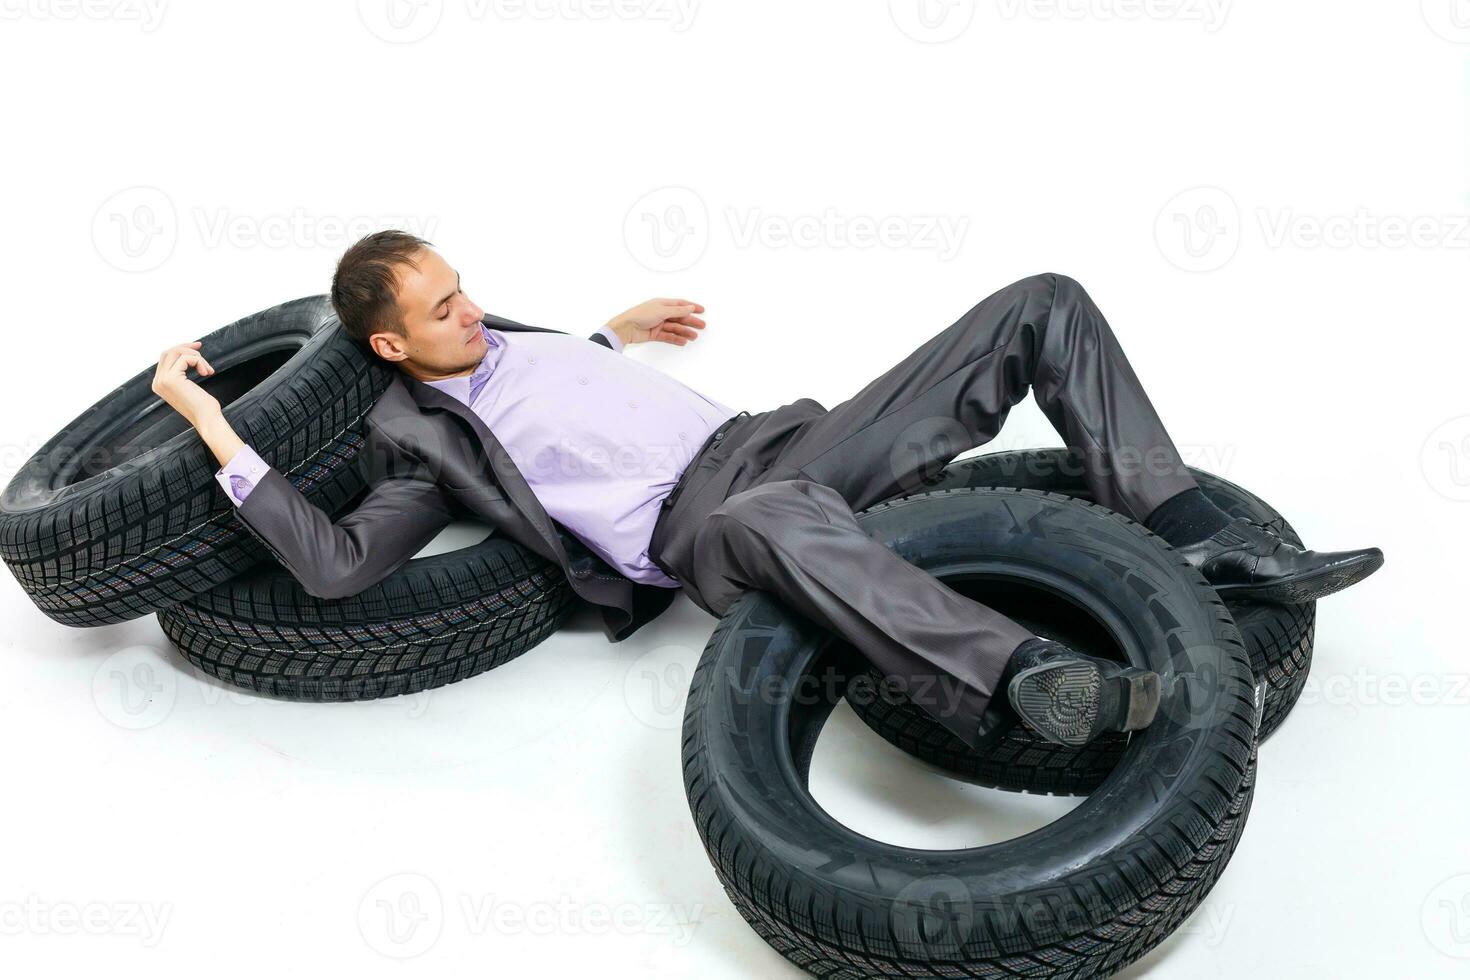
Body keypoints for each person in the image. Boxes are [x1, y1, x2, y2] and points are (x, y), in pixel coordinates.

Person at [152, 231, 1382, 750]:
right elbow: (338, 568)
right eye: (441, 309)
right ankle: (1029, 681)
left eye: (464, 286)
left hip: (782, 439)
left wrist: (607, 333)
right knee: (772, 520)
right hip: (712, 527)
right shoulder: (415, 435)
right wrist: (214, 422)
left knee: (1040, 303)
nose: (469, 310)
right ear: (385, 348)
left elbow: (562, 395)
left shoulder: (513, 339)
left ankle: (1200, 538)